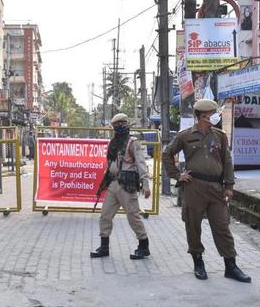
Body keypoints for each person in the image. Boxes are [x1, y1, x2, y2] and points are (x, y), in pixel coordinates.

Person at [162, 99, 251, 283]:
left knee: (222, 226)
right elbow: (166, 154)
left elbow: (227, 161)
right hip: (194, 187)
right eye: (212, 114)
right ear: (202, 116)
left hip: (216, 188)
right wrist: (177, 175)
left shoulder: (219, 136)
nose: (215, 117)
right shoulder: (185, 136)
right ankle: (198, 262)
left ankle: (230, 266)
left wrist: (229, 186)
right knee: (193, 226)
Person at [90, 113, 151, 260]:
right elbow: (110, 164)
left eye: (122, 124)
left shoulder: (133, 142)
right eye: (116, 125)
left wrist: (145, 183)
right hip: (113, 184)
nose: (119, 127)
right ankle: (104, 247)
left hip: (127, 186)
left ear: (126, 124)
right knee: (105, 215)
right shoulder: (113, 143)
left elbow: (141, 163)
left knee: (133, 217)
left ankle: (143, 246)